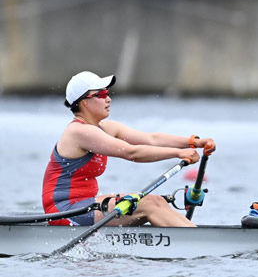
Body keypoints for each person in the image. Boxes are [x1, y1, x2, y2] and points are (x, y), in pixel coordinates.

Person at [42, 71, 216, 227]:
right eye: (101, 94)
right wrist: (177, 153)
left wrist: (193, 142)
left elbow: (151, 139)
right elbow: (131, 152)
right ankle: (200, 245)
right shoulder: (79, 131)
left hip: (85, 203)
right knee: (149, 204)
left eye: (108, 93)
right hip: (65, 210)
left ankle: (193, 237)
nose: (108, 98)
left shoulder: (105, 128)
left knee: (155, 201)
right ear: (84, 102)